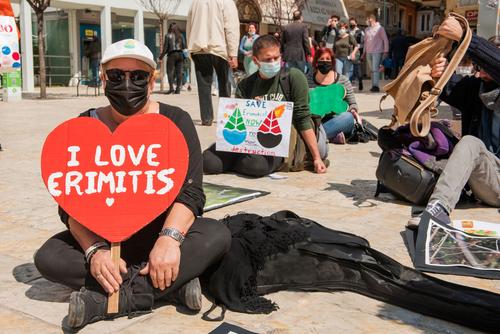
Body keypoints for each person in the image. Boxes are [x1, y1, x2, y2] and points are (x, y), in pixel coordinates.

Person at [33, 39, 232, 329]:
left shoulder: (175, 121)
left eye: (138, 76)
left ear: (152, 80)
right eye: (117, 75)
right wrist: (95, 251)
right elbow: (70, 203)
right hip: (105, 238)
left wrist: (169, 240)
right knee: (48, 257)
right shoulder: (85, 124)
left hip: (160, 234)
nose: (127, 83)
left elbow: (191, 192)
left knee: (217, 235)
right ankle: (168, 286)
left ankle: (107, 300)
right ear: (103, 78)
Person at [203, 35, 328, 177]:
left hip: (278, 143)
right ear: (256, 61)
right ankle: (236, 160)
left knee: (256, 166)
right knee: (208, 162)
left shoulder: (293, 77)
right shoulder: (246, 85)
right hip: (247, 141)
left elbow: (303, 118)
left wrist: (317, 158)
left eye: (276, 57)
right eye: (268, 59)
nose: (274, 62)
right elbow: (237, 121)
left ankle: (234, 162)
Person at [409, 35, 500, 227]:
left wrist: (465, 36)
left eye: (487, 64)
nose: (481, 71)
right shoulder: (475, 89)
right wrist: (441, 69)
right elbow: (448, 85)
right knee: (469, 142)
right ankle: (438, 209)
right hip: (491, 180)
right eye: (479, 65)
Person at [187, 0, 239, 126]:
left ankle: (206, 118)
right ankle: (226, 117)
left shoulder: (195, 2)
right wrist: (233, 53)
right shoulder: (226, 2)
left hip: (198, 47)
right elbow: (231, 27)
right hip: (219, 47)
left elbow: (189, 25)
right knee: (224, 83)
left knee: (203, 85)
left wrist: (190, 48)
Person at [308, 47, 360, 144]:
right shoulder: (307, 80)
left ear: (332, 62)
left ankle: (314, 137)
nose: (325, 62)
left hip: (337, 120)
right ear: (316, 62)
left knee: (348, 117)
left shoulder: (343, 80)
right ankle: (329, 137)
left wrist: (353, 110)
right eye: (321, 59)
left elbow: (352, 103)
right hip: (314, 120)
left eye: (328, 59)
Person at [362, 14, 389, 92]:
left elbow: (385, 40)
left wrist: (386, 51)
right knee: (372, 69)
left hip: (377, 51)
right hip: (368, 52)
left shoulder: (380, 28)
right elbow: (365, 42)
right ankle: (373, 85)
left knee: (375, 69)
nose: (367, 20)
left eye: (368, 19)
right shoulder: (367, 29)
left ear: (372, 19)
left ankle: (375, 86)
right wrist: (364, 52)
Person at [159, 22, 186, 94]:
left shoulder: (168, 36)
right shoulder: (181, 35)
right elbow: (184, 46)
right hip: (180, 54)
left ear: (170, 28)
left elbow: (165, 48)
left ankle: (171, 88)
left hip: (172, 54)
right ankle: (178, 89)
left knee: (169, 72)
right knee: (179, 72)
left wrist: (160, 57)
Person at [348, 17, 364, 91]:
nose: (351, 25)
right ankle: (349, 84)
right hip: (349, 51)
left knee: (357, 68)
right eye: (350, 23)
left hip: (357, 51)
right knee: (350, 68)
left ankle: (360, 81)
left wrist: (358, 49)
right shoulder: (348, 32)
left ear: (356, 23)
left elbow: (362, 43)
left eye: (353, 23)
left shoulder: (360, 32)